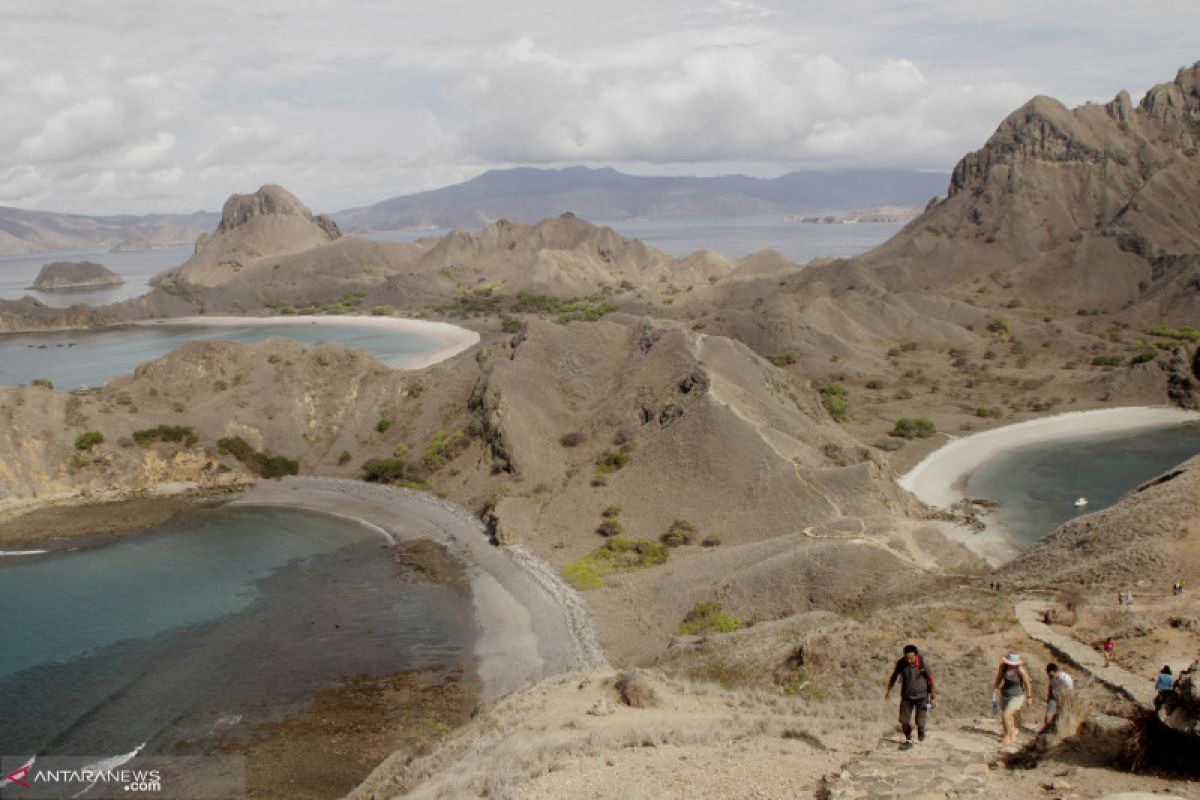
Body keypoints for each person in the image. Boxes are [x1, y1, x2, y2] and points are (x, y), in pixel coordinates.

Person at [885, 644, 936, 749]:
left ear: (916, 656)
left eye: (911, 658)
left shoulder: (923, 664)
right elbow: (894, 676)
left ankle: (921, 729)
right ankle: (908, 740)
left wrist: (932, 697)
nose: (909, 661)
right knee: (904, 720)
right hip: (906, 697)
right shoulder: (901, 663)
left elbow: (931, 680)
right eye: (906, 658)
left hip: (922, 697)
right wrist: (889, 690)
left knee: (920, 721)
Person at [992, 651, 1032, 745]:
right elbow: (999, 678)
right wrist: (995, 689)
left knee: (1006, 715)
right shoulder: (1003, 667)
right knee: (1008, 715)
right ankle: (1012, 731)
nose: (1011, 665)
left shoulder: (1020, 670)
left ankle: (1007, 736)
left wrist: (1029, 697)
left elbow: (1027, 683)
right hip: (1005, 694)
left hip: (1017, 696)